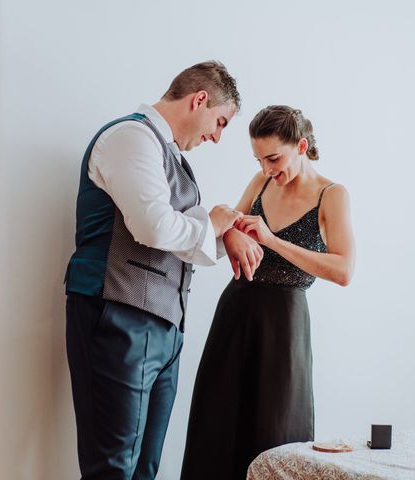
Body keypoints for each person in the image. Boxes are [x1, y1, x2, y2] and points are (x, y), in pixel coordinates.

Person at [64, 61, 262, 480]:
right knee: (113, 468)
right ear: (200, 100)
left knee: (145, 469)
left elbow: (180, 239)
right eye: (219, 122)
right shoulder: (132, 137)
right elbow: (153, 225)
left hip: (163, 328)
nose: (216, 136)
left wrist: (225, 233)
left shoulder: (164, 151)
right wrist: (214, 221)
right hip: (118, 315)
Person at [180, 105, 356, 480]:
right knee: (217, 427)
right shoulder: (259, 184)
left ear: (302, 146)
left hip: (285, 325)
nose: (265, 170)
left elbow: (343, 271)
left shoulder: (332, 195)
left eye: (273, 158)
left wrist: (273, 241)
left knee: (277, 434)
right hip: (236, 312)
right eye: (259, 159)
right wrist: (230, 235)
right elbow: (228, 226)